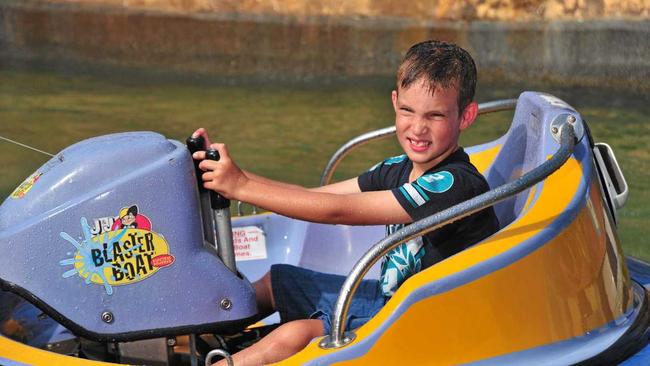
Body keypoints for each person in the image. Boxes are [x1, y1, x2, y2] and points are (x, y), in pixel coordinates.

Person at [192, 40, 500, 365]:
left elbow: (338, 211)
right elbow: (314, 197)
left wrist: (241, 187)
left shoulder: (453, 185)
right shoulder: (398, 168)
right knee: (276, 282)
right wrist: (230, 177)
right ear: (395, 102)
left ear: (466, 116)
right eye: (408, 110)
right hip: (390, 300)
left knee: (295, 334)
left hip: (424, 320)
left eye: (435, 115)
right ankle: (193, 337)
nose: (418, 128)